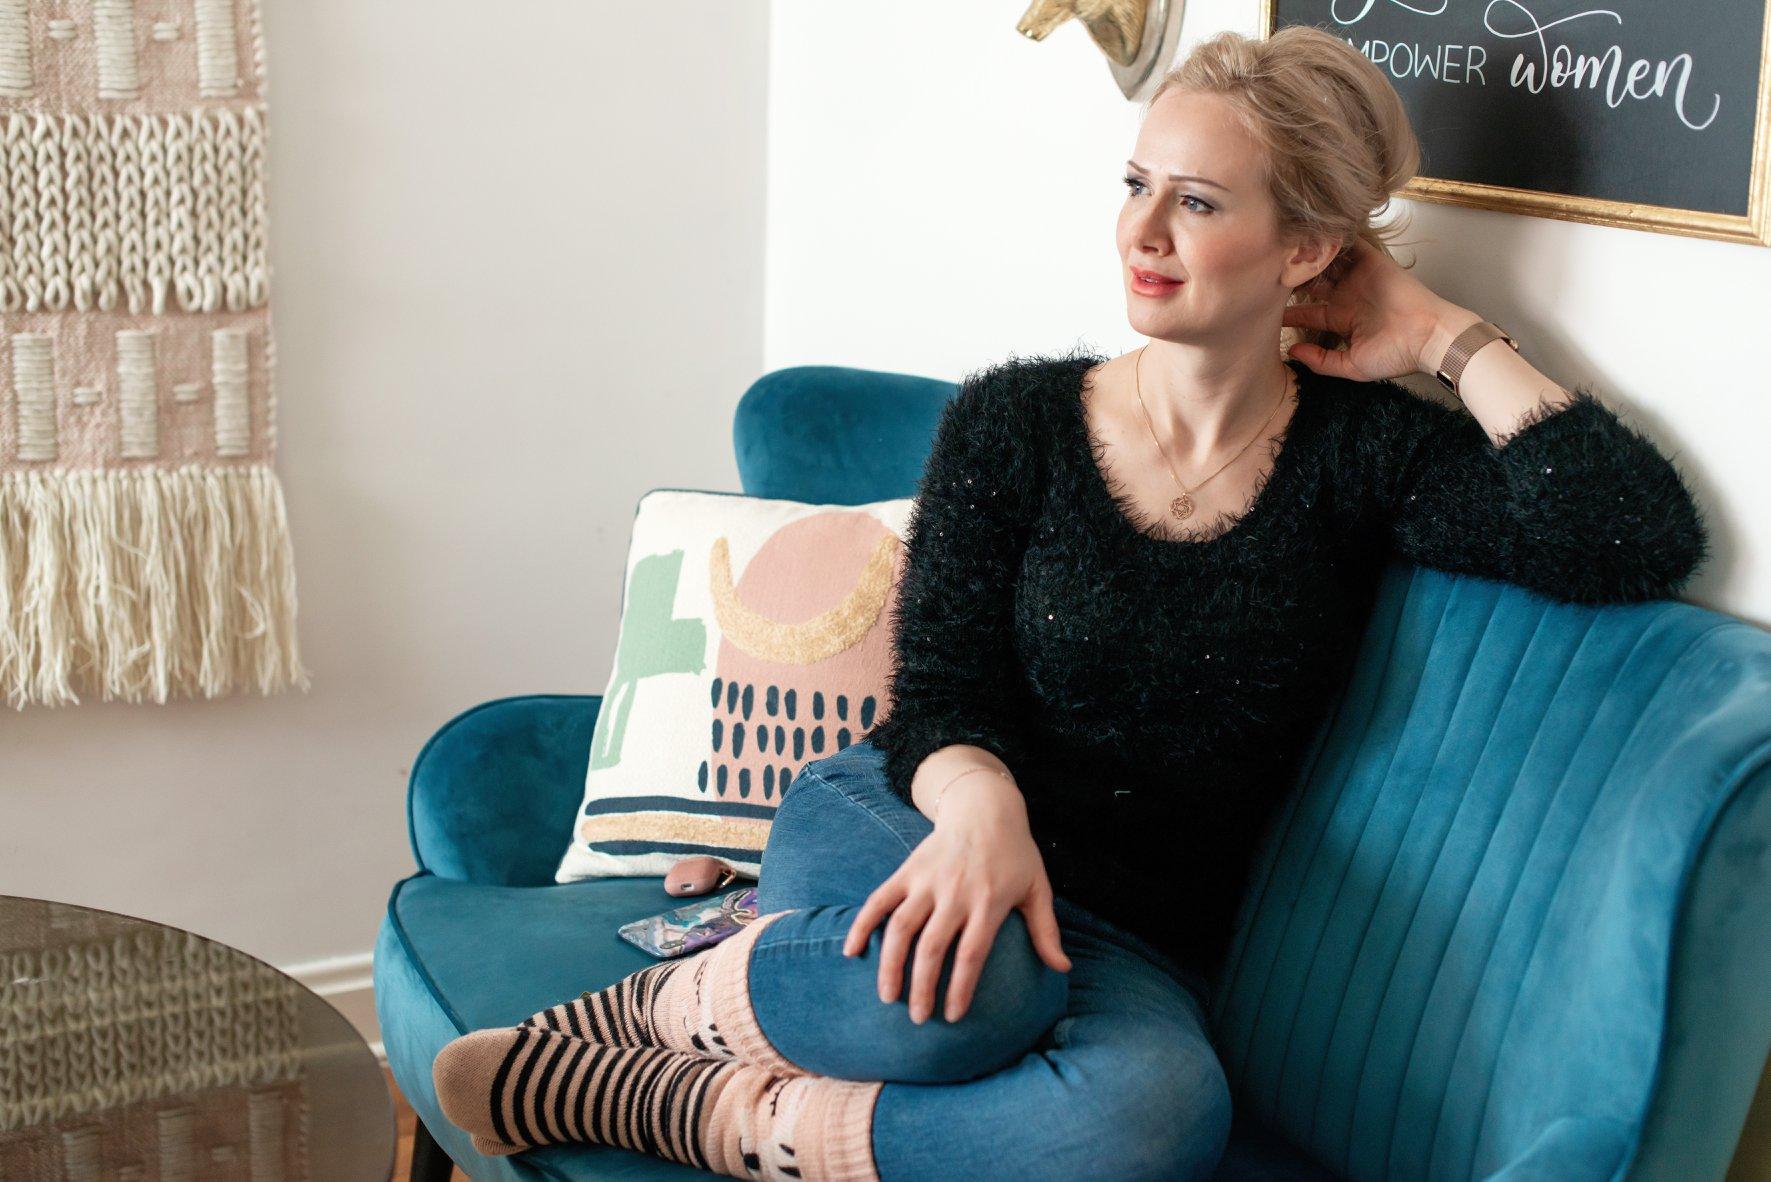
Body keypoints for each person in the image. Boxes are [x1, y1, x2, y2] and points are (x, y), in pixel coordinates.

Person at [429, 25, 1710, 1181]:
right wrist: (982, 808)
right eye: (1136, 185)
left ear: (1307, 249)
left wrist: (1440, 334)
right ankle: (679, 1002)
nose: (1143, 232)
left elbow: (1628, 537)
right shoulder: (1019, 420)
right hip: (906, 817)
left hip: (1120, 940)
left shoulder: (1363, 456)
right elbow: (937, 698)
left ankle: (688, 1104)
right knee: (968, 990)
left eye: (1198, 202)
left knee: (1151, 1116)